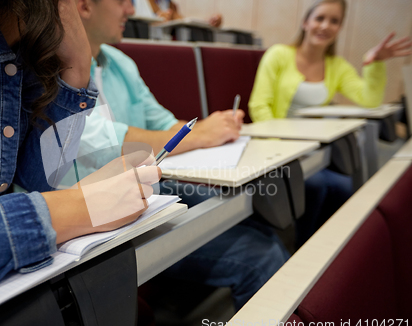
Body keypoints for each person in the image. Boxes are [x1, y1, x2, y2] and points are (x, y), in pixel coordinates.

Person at [0, 0, 161, 317]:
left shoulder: (22, 58)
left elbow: (36, 181)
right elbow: (48, 201)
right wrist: (75, 208)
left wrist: (77, 69)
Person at [75, 0, 289, 310]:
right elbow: (103, 142)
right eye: (123, 1)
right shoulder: (52, 67)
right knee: (262, 254)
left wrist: (213, 126)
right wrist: (203, 134)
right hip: (101, 212)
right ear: (83, 6)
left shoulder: (120, 62)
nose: (132, 11)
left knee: (257, 220)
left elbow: (164, 123)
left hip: (147, 188)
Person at [249, 0, 412, 247]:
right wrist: (282, 145)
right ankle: (299, 248)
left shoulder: (336, 66)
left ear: (339, 28)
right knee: (317, 186)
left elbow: (369, 100)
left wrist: (373, 63)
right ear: (306, 22)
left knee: (343, 186)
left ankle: (323, 249)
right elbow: (258, 106)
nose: (325, 26)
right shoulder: (279, 55)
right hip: (278, 148)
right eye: (320, 18)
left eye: (334, 21)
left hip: (315, 149)